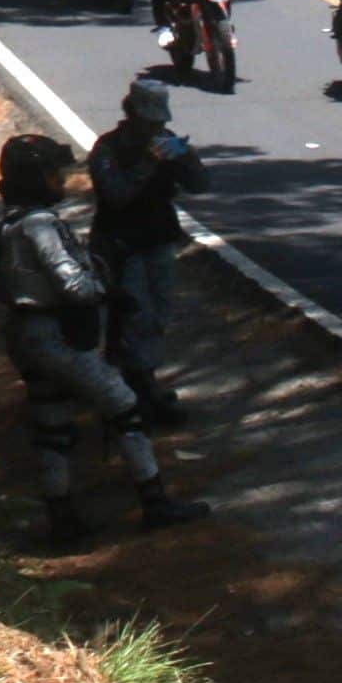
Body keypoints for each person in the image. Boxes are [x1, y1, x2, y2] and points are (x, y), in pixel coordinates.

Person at [0, 134, 208, 545]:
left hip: (23, 333)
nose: (60, 180)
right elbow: (72, 285)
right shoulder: (41, 225)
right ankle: (155, 503)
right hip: (56, 335)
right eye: (53, 174)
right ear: (35, 178)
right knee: (126, 408)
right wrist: (105, 291)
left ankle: (62, 518)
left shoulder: (2, 225)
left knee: (52, 425)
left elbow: (0, 287)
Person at [85, 78, 209, 428]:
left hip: (158, 239)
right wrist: (146, 164)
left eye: (159, 122)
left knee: (159, 313)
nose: (155, 128)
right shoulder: (108, 149)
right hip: (121, 245)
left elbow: (200, 185)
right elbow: (115, 195)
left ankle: (145, 379)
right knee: (132, 316)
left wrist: (184, 157)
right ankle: (135, 388)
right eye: (148, 122)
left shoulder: (165, 141)